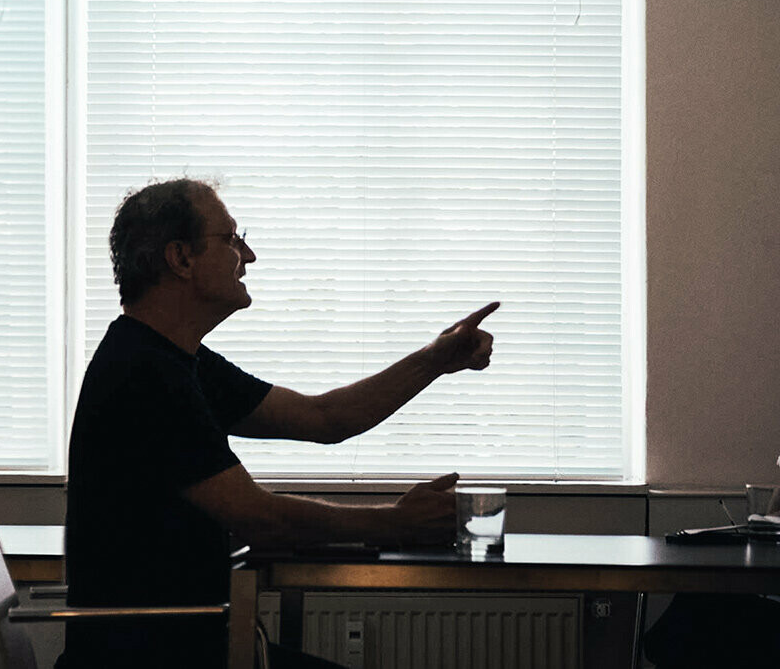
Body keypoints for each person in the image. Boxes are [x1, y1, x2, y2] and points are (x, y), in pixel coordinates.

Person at [61, 178, 499, 669]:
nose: (247, 255)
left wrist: (434, 360)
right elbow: (259, 517)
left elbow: (325, 417)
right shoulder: (143, 374)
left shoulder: (178, 361)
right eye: (230, 239)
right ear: (180, 258)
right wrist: (393, 522)